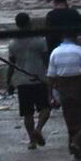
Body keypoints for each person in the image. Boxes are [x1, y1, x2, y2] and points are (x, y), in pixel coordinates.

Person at [47, 34, 81, 161]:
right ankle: (77, 142)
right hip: (78, 87)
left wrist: (50, 95)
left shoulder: (55, 52)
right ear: (75, 39)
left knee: (71, 120)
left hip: (63, 88)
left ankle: (76, 152)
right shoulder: (79, 51)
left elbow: (50, 76)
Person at [7, 12, 50, 151]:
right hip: (39, 79)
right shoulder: (39, 40)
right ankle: (38, 129)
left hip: (22, 81)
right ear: (28, 23)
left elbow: (11, 65)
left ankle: (32, 141)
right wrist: (51, 76)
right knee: (45, 108)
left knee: (27, 113)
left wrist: (9, 82)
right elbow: (46, 60)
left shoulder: (13, 43)